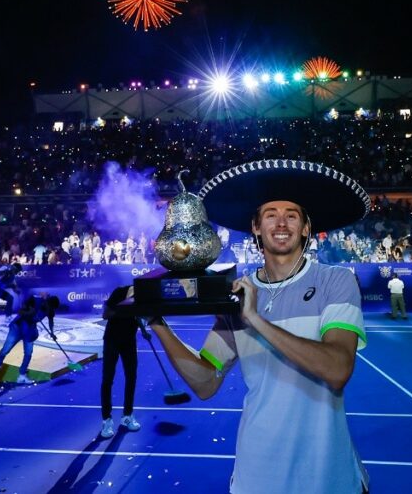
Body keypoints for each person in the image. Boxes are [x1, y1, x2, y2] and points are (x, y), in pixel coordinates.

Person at [148, 160, 370, 493]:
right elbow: (206, 382)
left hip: (329, 478)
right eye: (270, 215)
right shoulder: (238, 295)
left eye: (292, 215)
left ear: (306, 228)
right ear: (256, 226)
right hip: (257, 477)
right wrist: (156, 321)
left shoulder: (334, 282)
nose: (281, 223)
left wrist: (255, 319)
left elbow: (338, 368)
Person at [99, 286, 142, 438]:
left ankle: (128, 415)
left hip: (129, 341)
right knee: (107, 380)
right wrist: (125, 309)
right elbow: (106, 314)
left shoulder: (144, 297)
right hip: (112, 340)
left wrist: (143, 330)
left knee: (131, 377)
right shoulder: (119, 292)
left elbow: (139, 318)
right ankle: (107, 420)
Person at [0, 295, 45, 387]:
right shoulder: (30, 302)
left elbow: (36, 318)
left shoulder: (43, 306)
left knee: (28, 353)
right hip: (16, 329)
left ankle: (21, 375)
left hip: (28, 331)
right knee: (5, 350)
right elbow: (23, 312)